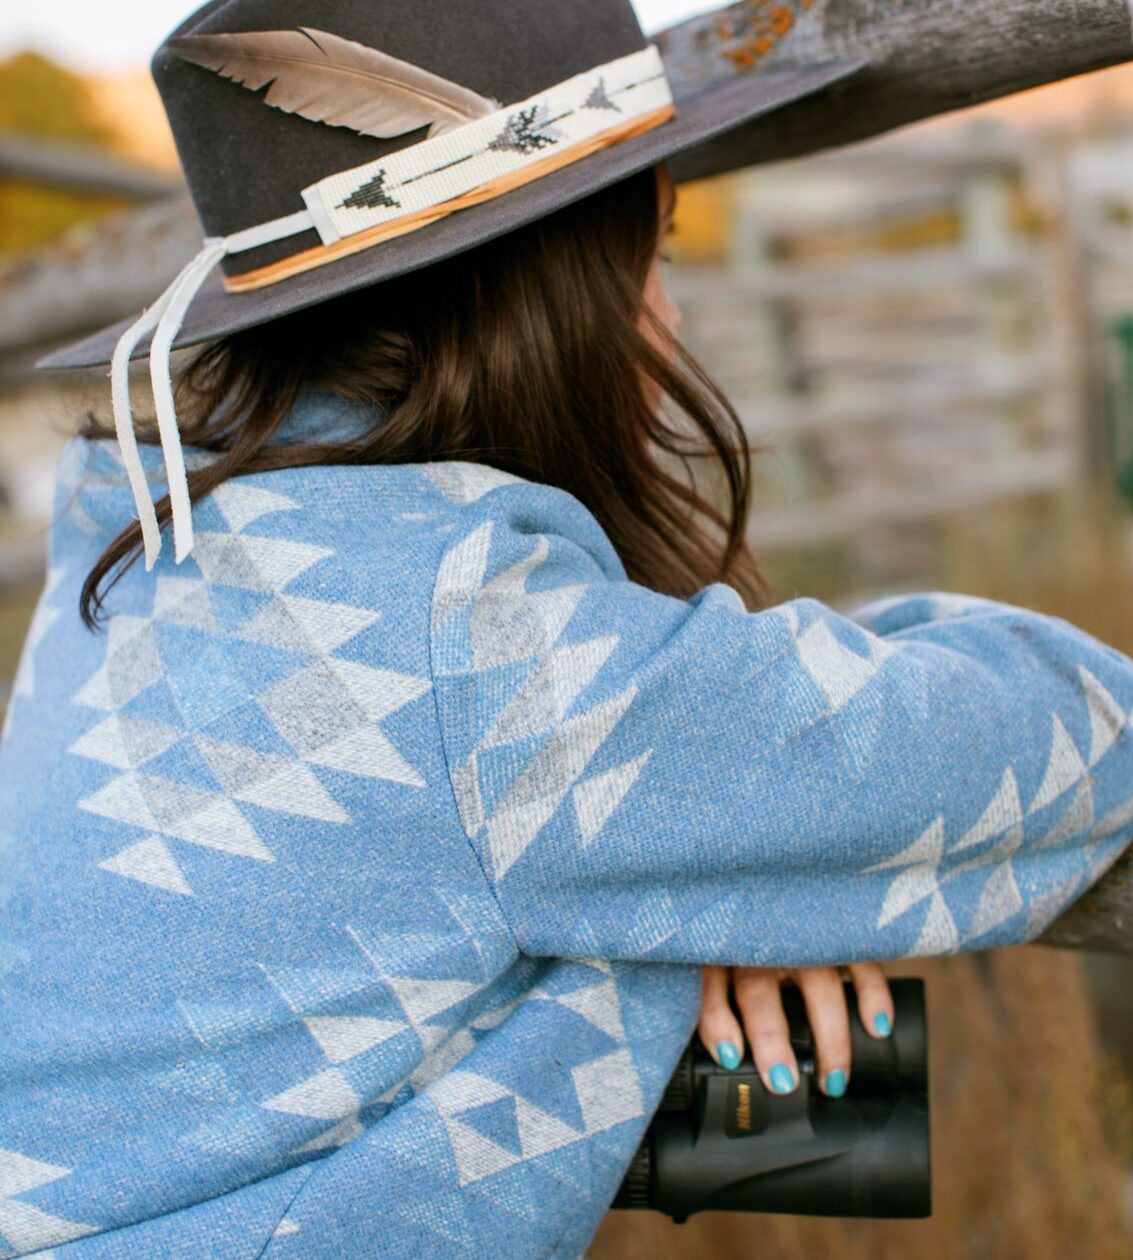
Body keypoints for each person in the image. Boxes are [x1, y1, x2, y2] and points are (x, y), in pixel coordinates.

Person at [2, 2, 1131, 1257]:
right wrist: (728, 849)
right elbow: (1074, 728)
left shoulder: (141, 533)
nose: (673, 318)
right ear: (554, 287)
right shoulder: (490, 654)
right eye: (656, 255)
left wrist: (696, 861)